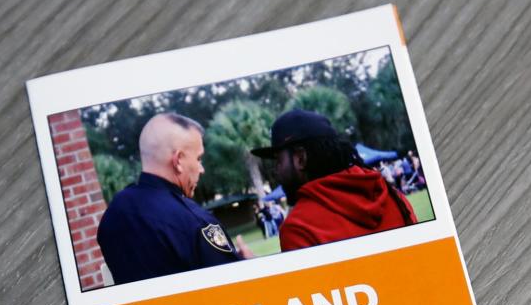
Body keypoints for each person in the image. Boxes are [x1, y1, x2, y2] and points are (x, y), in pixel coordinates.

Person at [96, 113, 250, 285]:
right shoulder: (195, 221)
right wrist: (247, 264)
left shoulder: (113, 215)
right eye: (199, 158)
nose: (201, 169)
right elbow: (236, 289)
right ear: (178, 161)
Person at [251, 109, 416, 252]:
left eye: (278, 160)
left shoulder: (299, 228)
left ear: (300, 159)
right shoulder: (392, 194)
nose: (276, 171)